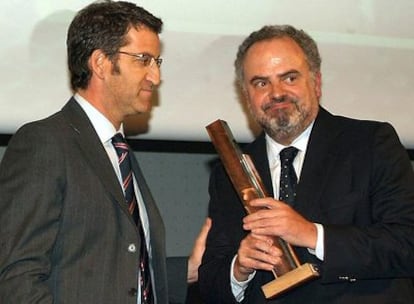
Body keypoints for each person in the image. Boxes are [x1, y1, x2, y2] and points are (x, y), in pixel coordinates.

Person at [0, 1, 210, 303]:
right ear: (100, 63)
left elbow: (114, 271)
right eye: (143, 59)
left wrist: (188, 270)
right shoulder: (45, 142)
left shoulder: (119, 153)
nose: (156, 77)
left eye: (157, 62)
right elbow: (18, 275)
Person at [198, 24, 414, 303]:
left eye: (289, 78)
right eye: (261, 83)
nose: (276, 93)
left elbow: (407, 243)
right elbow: (210, 283)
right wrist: (239, 268)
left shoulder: (370, 143)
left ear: (316, 82)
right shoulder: (229, 172)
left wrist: (312, 235)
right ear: (246, 95)